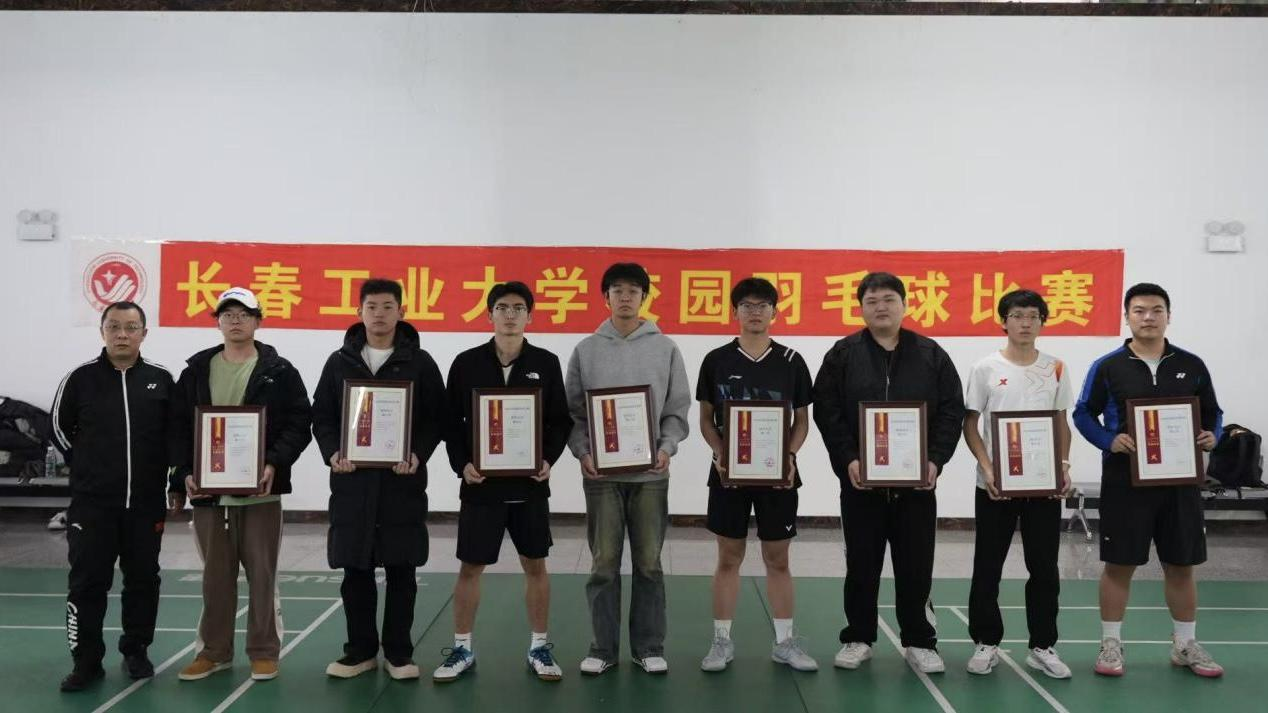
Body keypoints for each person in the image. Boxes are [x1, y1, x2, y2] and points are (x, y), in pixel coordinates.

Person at [812, 271, 965, 674]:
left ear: (905, 305)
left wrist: (935, 460)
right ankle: (858, 637)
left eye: (888, 299)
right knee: (861, 564)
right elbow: (826, 410)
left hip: (917, 486)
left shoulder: (931, 354)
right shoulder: (842, 355)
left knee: (916, 564)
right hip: (860, 484)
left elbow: (952, 411)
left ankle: (920, 641)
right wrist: (849, 459)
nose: (881, 307)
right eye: (872, 301)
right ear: (861, 308)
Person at [1074, 282, 1224, 678]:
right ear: (1127, 317)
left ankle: (1185, 644)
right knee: (1119, 564)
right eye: (1139, 310)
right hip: (1125, 482)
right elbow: (1083, 413)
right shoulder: (1108, 366)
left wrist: (1213, 436)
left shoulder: (1191, 364)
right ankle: (1110, 644)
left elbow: (1213, 413)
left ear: (1168, 316)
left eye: (1156, 310)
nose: (1148, 317)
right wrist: (1108, 440)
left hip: (1180, 483)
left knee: (1182, 564)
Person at [168, 287, 313, 683]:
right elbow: (177, 428)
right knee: (215, 578)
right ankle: (213, 652)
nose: (235, 320)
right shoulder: (196, 371)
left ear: (258, 320)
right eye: (227, 314)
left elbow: (300, 423)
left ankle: (264, 652)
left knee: (263, 576)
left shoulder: (280, 371)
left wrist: (273, 463)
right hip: (209, 495)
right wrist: (184, 473)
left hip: (260, 494)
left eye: (244, 314)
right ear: (218, 321)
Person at [432, 281, 573, 683]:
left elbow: (560, 420)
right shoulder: (466, 363)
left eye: (518, 308)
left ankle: (540, 646)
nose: (510, 315)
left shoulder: (545, 362)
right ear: (489, 314)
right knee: (470, 567)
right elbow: (450, 423)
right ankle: (462, 648)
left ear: (530, 315)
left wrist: (547, 459)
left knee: (536, 565)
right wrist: (462, 465)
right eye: (502, 308)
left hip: (529, 486)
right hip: (482, 486)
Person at [312, 277, 446, 681]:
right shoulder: (339, 362)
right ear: (359, 312)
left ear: (402, 312)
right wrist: (333, 453)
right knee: (356, 570)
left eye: (388, 306)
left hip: (401, 485)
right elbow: (322, 416)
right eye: (371, 307)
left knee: (402, 569)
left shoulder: (420, 362)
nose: (380, 314)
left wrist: (417, 453)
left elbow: (436, 418)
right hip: (352, 484)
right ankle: (360, 651)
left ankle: (399, 654)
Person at [565, 262, 691, 675]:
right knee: (603, 565)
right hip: (601, 477)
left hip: (650, 475)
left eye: (633, 290)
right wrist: (583, 452)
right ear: (605, 297)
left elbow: (676, 408)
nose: (625, 297)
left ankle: (649, 646)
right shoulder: (586, 350)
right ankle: (602, 649)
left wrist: (666, 447)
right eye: (617, 290)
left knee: (649, 564)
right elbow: (574, 413)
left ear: (643, 297)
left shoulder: (665, 348)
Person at [697, 277, 818, 673]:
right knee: (728, 557)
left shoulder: (792, 361)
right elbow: (706, 419)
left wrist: (789, 455)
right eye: (746, 305)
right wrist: (720, 452)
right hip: (727, 474)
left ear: (774, 312)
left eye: (762, 305)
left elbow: (802, 421)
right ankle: (721, 642)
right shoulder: (716, 360)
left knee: (777, 558)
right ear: (734, 312)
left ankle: (785, 643)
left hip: (778, 476)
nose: (754, 312)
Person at [51, 301, 174, 692]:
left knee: (143, 580)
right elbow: (58, 427)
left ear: (144, 333)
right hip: (93, 506)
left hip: (145, 505)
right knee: (87, 583)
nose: (123, 334)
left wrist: (172, 480)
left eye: (131, 327)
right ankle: (86, 662)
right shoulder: (80, 379)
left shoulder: (161, 380)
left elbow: (175, 436)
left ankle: (136, 650)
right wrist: (85, 464)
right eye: (115, 326)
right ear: (102, 331)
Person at [962, 289, 1073, 679]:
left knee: (1044, 568)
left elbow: (1061, 422)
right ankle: (985, 642)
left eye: (1032, 316)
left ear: (1042, 322)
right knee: (987, 566)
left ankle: (1042, 645)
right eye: (1017, 315)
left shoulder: (1055, 367)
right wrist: (987, 467)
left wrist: (1062, 465)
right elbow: (970, 424)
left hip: (1043, 486)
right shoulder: (985, 368)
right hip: (995, 486)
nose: (1025, 323)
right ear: (1003, 321)